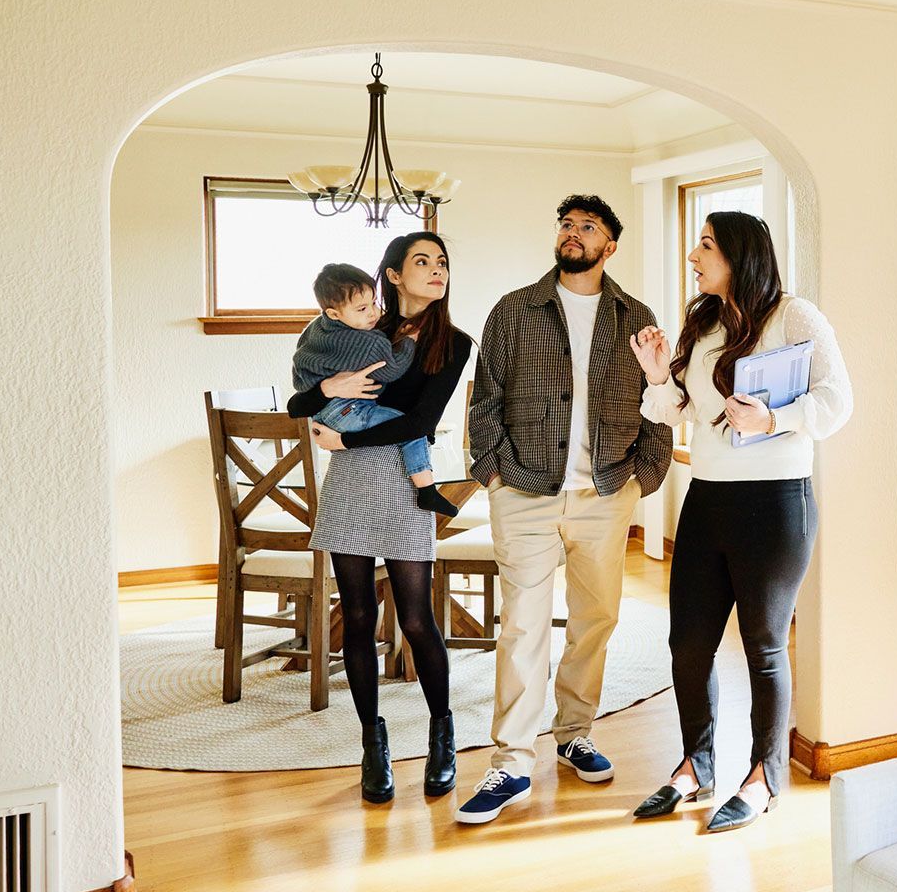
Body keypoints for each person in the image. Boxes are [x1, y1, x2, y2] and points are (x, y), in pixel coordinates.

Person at [628, 210, 852, 833]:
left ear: (740, 254)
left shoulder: (794, 315)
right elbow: (684, 412)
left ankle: (764, 776)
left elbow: (838, 399)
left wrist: (773, 419)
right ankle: (696, 767)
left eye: (705, 245)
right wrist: (655, 373)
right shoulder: (701, 322)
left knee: (764, 644)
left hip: (777, 503)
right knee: (689, 642)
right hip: (707, 498)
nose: (694, 256)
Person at [454, 195, 673, 825]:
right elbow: (484, 398)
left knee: (595, 618)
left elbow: (662, 393)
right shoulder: (515, 310)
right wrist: (493, 472)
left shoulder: (635, 316)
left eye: (588, 228)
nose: (573, 234)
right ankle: (512, 761)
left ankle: (575, 730)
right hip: (525, 489)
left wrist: (644, 476)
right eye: (567, 225)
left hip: (605, 494)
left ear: (609, 246)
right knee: (523, 624)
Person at [286, 232, 471, 805]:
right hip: (350, 489)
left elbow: (420, 420)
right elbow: (297, 406)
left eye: (442, 261)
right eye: (422, 261)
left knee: (417, 620)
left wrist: (340, 434)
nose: (436, 270)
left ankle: (443, 732)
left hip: (403, 482)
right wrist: (328, 388)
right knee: (359, 616)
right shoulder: (361, 328)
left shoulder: (455, 343)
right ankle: (374, 741)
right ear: (392, 275)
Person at [292, 262, 458, 517]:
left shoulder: (317, 329)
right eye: (362, 308)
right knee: (414, 433)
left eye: (373, 303)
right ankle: (427, 490)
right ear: (394, 275)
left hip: (329, 418)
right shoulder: (365, 340)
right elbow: (391, 370)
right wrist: (407, 344)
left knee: (414, 429)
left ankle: (426, 492)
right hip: (350, 417)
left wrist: (340, 435)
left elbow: (300, 392)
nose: (373, 313)